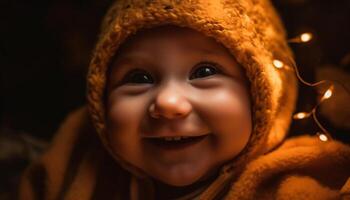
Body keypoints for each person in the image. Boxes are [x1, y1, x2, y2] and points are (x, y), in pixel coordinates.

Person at [19, 0, 350, 199]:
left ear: (264, 93)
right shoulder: (75, 164)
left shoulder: (298, 179)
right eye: (139, 78)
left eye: (204, 71)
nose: (167, 102)